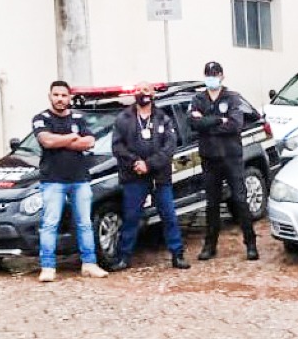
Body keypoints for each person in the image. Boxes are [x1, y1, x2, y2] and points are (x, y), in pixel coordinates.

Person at [32, 81, 109, 282]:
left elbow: (90, 141)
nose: (60, 99)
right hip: (53, 180)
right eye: (56, 94)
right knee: (50, 224)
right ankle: (48, 267)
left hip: (80, 179)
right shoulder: (41, 118)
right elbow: (46, 141)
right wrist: (73, 138)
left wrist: (61, 141)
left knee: (84, 223)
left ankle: (89, 264)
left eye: (63, 95)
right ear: (50, 96)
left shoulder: (78, 117)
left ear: (69, 97)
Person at [109, 82, 191, 271]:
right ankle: (124, 257)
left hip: (160, 176)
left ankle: (177, 255)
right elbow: (117, 146)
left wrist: (149, 164)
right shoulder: (123, 118)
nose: (141, 93)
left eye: (145, 90)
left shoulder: (163, 118)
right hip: (133, 175)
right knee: (131, 217)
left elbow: (169, 147)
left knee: (169, 215)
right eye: (137, 90)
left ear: (153, 94)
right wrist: (135, 162)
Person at [188, 61, 258, 261]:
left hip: (231, 157)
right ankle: (210, 245)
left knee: (240, 200)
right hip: (209, 158)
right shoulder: (198, 98)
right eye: (209, 74)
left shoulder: (232, 98)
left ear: (222, 76)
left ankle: (251, 243)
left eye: (215, 73)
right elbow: (193, 124)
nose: (212, 77)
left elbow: (235, 125)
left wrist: (207, 122)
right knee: (212, 204)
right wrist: (219, 119)